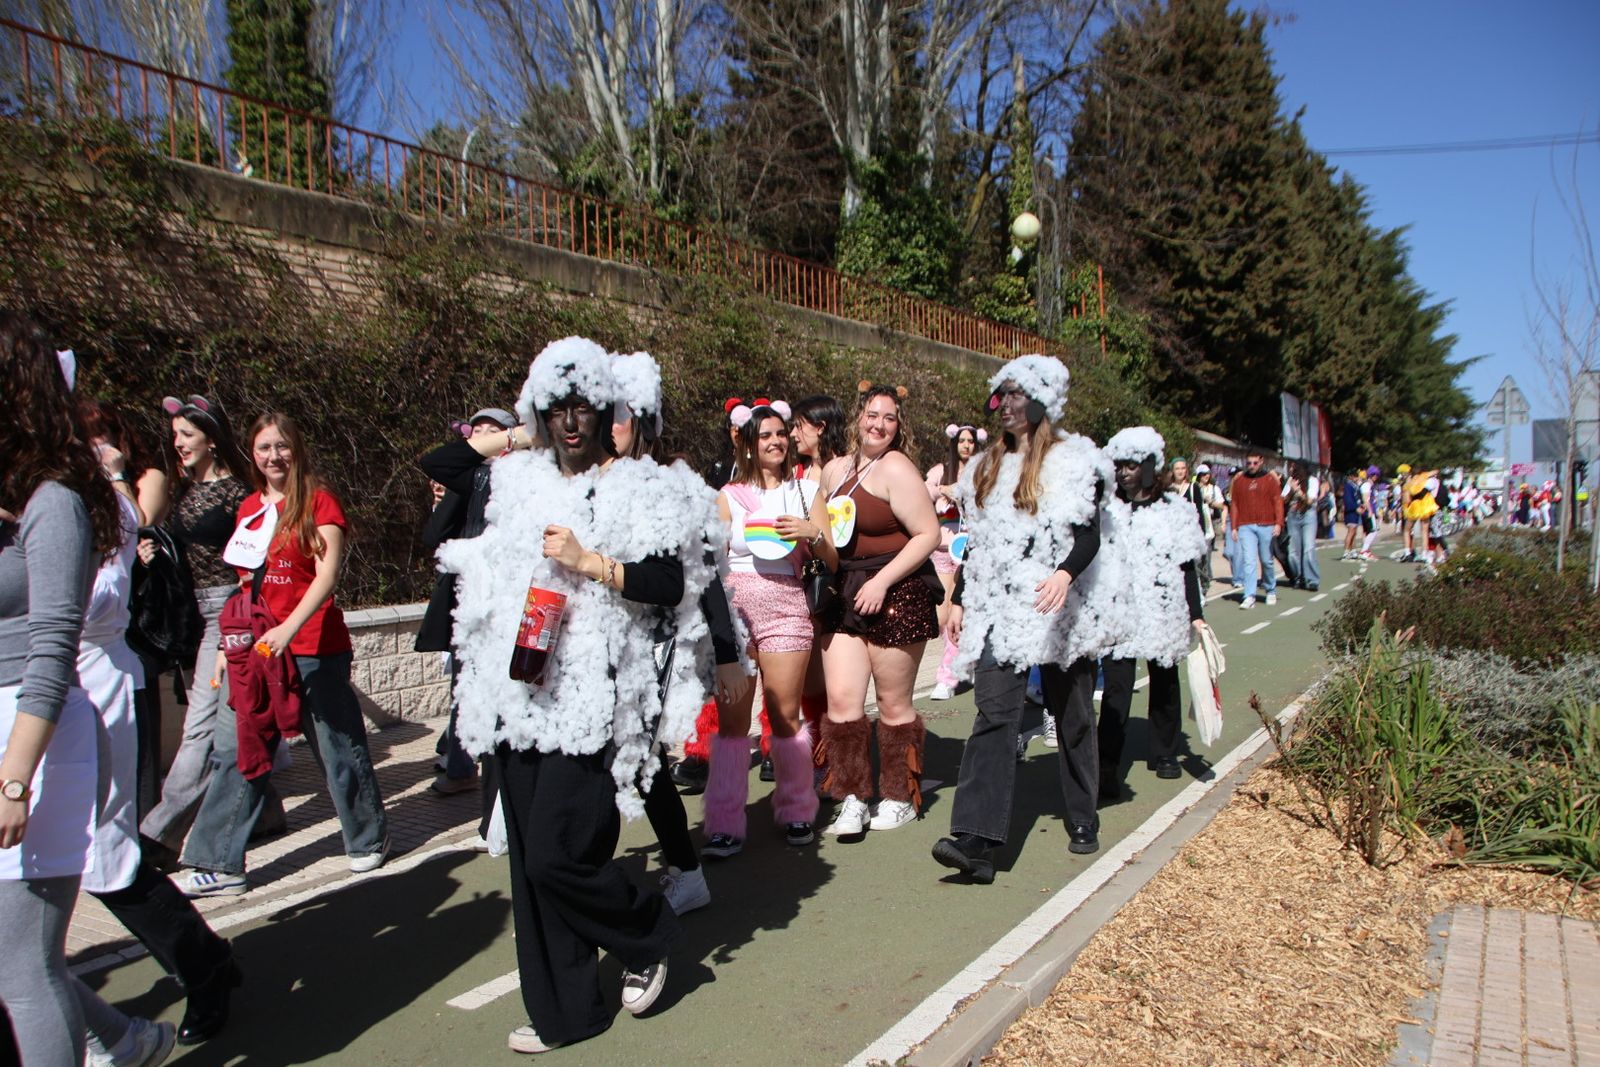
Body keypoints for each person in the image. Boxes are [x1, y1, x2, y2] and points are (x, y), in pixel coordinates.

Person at [436, 337, 723, 1053]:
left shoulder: (638, 486)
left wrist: (590, 562)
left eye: (583, 407)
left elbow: (669, 584)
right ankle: (566, 1011)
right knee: (529, 871)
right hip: (522, 686)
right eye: (556, 408)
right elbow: (443, 464)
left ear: (606, 411)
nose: (570, 422)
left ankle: (646, 931)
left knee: (554, 857)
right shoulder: (521, 479)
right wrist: (513, 431)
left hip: (597, 696)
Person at [1, 312, 175, 1066]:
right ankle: (127, 1036)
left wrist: (13, 779)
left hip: (39, 735)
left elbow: (49, 651)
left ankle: (131, 1034)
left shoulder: (56, 502)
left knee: (24, 964)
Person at [78, 404, 243, 1054]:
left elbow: (106, 588)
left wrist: (118, 477)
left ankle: (199, 971)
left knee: (107, 855)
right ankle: (206, 960)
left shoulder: (98, 500)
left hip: (95, 685)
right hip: (69, 688)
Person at [179, 412, 390, 896]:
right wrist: (225, 647)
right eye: (264, 448)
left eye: (282, 446)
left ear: (296, 448)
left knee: (336, 747)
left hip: (313, 647)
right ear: (252, 455)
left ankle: (367, 838)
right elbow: (245, 585)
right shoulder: (249, 507)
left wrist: (290, 629)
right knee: (237, 749)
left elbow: (326, 575)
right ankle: (221, 862)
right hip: (255, 651)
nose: (274, 456)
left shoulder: (320, 502)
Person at [929, 355, 1115, 882]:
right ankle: (976, 841)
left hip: (1059, 607)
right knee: (992, 716)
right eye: (1001, 394)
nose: (1006, 404)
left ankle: (1082, 814)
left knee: (1073, 714)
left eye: (1017, 394)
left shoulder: (1075, 462)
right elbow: (981, 546)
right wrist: (961, 597)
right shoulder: (985, 465)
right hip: (1001, 609)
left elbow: (1089, 535)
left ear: (1041, 401)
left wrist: (1064, 574)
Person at [611, 349, 752, 915]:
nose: (608, 424)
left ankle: (687, 872)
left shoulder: (675, 483)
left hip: (656, 641)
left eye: (619, 412)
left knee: (642, 759)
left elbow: (707, 579)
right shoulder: (586, 481)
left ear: (644, 420)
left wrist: (726, 656)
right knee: (618, 762)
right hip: (600, 644)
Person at [812, 383, 941, 838]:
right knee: (843, 703)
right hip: (843, 591)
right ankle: (851, 797)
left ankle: (897, 795)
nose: (879, 424)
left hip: (897, 590)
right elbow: (822, 534)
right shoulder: (833, 471)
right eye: (872, 414)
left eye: (889, 418)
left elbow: (929, 534)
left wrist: (883, 582)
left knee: (892, 703)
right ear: (857, 417)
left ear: (898, 426)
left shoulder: (897, 468)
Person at [704, 399, 823, 856]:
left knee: (784, 717)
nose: (774, 441)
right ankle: (724, 821)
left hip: (787, 609)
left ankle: (797, 809)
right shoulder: (727, 496)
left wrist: (810, 532)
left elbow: (830, 557)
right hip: (736, 615)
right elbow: (710, 564)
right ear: (749, 444)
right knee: (733, 725)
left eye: (780, 433)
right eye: (764, 435)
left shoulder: (805, 492)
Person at [139, 395, 254, 861]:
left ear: (211, 438)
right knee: (237, 724)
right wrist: (153, 552)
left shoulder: (237, 493)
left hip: (225, 615)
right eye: (175, 435)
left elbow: (253, 563)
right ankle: (264, 814)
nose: (178, 443)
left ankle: (157, 835)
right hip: (190, 616)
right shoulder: (184, 490)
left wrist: (237, 630)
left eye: (187, 434)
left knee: (200, 728)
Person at [1096, 428, 1209, 798]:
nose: (1125, 473)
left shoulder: (1176, 510)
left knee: (1164, 680)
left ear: (1149, 466)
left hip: (1163, 610)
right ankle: (1107, 764)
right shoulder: (1107, 511)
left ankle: (1164, 752)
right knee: (1115, 689)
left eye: (1132, 465)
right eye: (1119, 466)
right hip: (1119, 613)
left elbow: (1187, 566)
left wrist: (1196, 613)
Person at [416, 406, 519, 798]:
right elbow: (434, 533)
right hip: (469, 600)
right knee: (466, 686)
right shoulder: (472, 479)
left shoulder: (529, 480)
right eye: (474, 435)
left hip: (509, 603)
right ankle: (462, 766)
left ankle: (498, 790)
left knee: (504, 695)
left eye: (490, 433)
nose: (480, 441)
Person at [926, 424, 983, 701]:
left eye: (971, 441)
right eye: (962, 440)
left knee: (955, 614)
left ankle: (946, 677)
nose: (966, 445)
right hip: (941, 548)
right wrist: (942, 490)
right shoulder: (939, 471)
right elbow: (922, 495)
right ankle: (965, 659)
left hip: (970, 551)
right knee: (940, 615)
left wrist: (964, 492)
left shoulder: (983, 471)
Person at [1228, 447, 1283, 609]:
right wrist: (1234, 526)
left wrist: (1278, 523)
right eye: (1249, 463)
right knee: (1249, 561)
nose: (1251, 465)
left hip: (1267, 525)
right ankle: (1249, 594)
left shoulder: (1270, 480)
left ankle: (1270, 590)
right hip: (1246, 526)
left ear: (1261, 462)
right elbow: (1235, 504)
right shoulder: (1239, 481)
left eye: (1255, 462)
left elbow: (1277, 501)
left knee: (1266, 560)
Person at [1283, 459, 1320, 592]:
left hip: (1308, 515)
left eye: (1295, 468)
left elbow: (1310, 501)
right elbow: (1283, 499)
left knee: (1308, 548)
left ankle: (1312, 580)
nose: (1292, 470)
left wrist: (1298, 492)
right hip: (1293, 515)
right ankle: (1298, 577)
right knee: (1293, 551)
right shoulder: (1290, 481)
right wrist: (1291, 491)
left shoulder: (1312, 481)